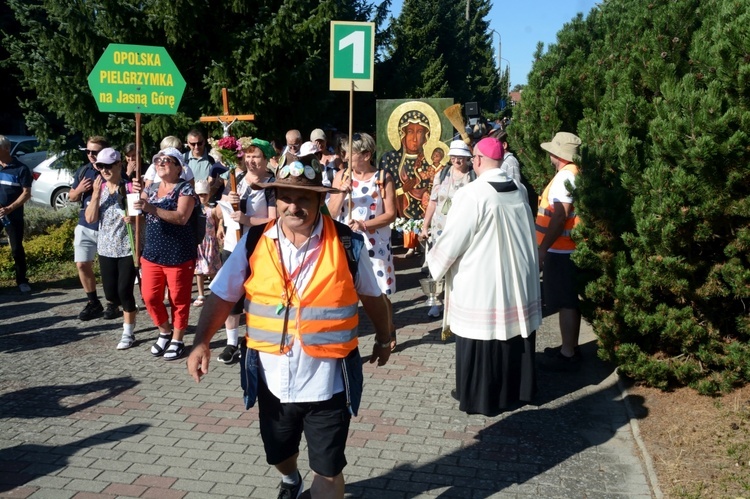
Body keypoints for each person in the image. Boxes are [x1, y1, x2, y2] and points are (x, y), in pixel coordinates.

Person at [186, 152, 393, 499]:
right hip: (271, 379)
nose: (293, 207)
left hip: (329, 382)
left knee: (328, 470)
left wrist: (384, 338)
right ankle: (290, 478)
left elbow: (374, 297)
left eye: (303, 199)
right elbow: (221, 295)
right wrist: (201, 341)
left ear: (319, 200)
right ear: (275, 199)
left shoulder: (347, 244)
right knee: (279, 454)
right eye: (286, 197)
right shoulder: (253, 242)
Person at [427, 137, 542, 416]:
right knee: (511, 333)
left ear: (477, 160)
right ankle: (516, 391)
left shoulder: (473, 194)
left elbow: (454, 239)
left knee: (484, 334)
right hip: (516, 276)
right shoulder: (518, 188)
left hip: (483, 280)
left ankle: (482, 397)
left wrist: (434, 260)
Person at [328, 132, 398, 351]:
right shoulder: (341, 176)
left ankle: (386, 329)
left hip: (374, 244)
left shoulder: (382, 177)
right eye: (345, 152)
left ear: (366, 154)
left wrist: (365, 225)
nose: (346, 157)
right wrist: (340, 192)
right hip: (347, 242)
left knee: (379, 291)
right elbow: (329, 213)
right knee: (345, 288)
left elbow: (391, 214)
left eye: (351, 152)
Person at [214, 138, 277, 364]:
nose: (251, 161)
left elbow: (273, 220)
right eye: (248, 156)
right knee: (232, 298)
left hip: (257, 247)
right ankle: (231, 343)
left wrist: (247, 219)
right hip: (232, 245)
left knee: (255, 296)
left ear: (266, 159)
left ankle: (254, 340)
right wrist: (227, 204)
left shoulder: (271, 184)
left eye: (256, 156)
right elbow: (220, 212)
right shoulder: (236, 178)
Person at [132, 147, 197, 361]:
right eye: (158, 159)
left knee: (179, 299)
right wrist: (134, 200)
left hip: (178, 254)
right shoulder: (150, 188)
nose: (161, 163)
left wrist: (150, 208)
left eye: (167, 160)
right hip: (152, 253)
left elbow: (181, 217)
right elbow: (138, 212)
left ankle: (178, 339)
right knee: (149, 297)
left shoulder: (185, 189)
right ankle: (164, 331)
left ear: (178, 167)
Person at [536, 132, 583, 371]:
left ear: (558, 154)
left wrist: (543, 249)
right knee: (568, 301)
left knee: (566, 302)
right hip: (566, 249)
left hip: (562, 251)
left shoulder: (565, 176)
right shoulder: (574, 173)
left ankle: (568, 353)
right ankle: (569, 347)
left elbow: (560, 214)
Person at [84, 148, 138, 349]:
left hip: (127, 247)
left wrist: (133, 219)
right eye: (100, 166)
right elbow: (90, 218)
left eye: (108, 165)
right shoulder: (100, 188)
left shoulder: (130, 187)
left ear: (118, 165)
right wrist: (97, 194)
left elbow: (142, 219)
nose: (104, 170)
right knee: (111, 295)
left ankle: (128, 333)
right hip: (106, 247)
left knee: (125, 291)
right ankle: (130, 310)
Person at [419, 140, 475, 317]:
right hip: (440, 229)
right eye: (454, 157)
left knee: (461, 266)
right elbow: (433, 201)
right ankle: (438, 301)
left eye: (461, 158)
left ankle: (459, 303)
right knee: (439, 266)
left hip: (462, 228)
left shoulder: (473, 176)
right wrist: (425, 226)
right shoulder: (442, 174)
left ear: (467, 159)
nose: (457, 161)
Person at [69, 135, 109, 320]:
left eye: (95, 152)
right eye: (88, 152)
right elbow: (71, 196)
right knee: (82, 264)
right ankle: (93, 302)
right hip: (85, 224)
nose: (91, 155)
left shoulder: (112, 169)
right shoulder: (83, 171)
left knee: (109, 268)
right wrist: (79, 191)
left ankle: (113, 303)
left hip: (107, 225)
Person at [0, 135, 32, 294]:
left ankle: (22, 280)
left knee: (16, 248)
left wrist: (10, 208)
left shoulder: (21, 168)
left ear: (6, 148)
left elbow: (26, 194)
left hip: (13, 215)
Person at [192, 180, 222, 308]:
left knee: (212, 269)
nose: (202, 197)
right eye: (199, 195)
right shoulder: (194, 210)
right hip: (199, 243)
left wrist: (219, 231)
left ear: (209, 194)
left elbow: (217, 222)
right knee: (198, 270)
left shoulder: (212, 210)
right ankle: (200, 294)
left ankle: (216, 291)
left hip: (210, 242)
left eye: (204, 194)